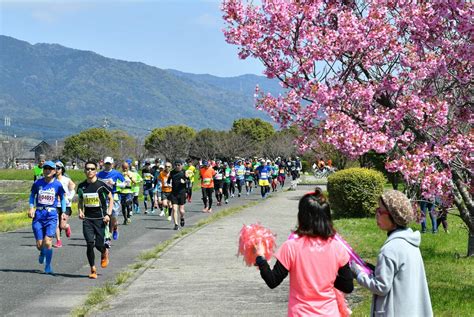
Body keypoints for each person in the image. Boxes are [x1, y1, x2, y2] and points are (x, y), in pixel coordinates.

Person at [254, 190, 353, 316]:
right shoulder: (337, 248)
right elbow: (348, 286)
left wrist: (260, 259)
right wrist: (326, 278)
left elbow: (272, 280)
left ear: (302, 217)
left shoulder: (291, 247)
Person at [351, 190, 433, 317]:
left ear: (394, 216)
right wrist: (374, 271)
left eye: (380, 211)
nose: (376, 214)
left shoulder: (390, 249)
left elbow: (381, 287)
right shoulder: (410, 241)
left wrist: (359, 274)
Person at [28, 160, 66, 274]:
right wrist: (31, 207)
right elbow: (32, 196)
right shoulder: (37, 183)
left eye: (50, 169)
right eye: (45, 168)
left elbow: (63, 198)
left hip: (51, 215)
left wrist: (63, 212)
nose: (47, 170)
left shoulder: (58, 185)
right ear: (43, 170)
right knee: (40, 245)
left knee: (48, 242)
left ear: (54, 171)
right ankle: (42, 252)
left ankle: (48, 266)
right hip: (39, 215)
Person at [77, 161, 113, 279]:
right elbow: (81, 200)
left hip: (100, 219)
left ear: (96, 171)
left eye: (92, 169)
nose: (90, 171)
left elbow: (111, 198)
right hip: (87, 219)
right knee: (89, 244)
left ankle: (104, 251)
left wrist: (108, 214)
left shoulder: (101, 185)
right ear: (84, 171)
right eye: (87, 169)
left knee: (98, 244)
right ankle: (92, 269)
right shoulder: (81, 186)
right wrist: (80, 211)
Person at [97, 157, 125, 243]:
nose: (107, 165)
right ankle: (107, 237)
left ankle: (115, 228)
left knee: (114, 218)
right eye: (106, 164)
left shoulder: (116, 173)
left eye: (109, 164)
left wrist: (114, 183)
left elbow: (125, 184)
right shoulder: (99, 174)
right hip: (103, 198)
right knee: (105, 218)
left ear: (112, 164)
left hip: (114, 197)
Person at [53, 161, 76, 248]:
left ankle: (66, 227)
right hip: (55, 205)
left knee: (62, 225)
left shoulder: (66, 180)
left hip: (66, 205)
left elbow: (73, 189)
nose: (56, 170)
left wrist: (69, 197)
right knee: (56, 224)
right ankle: (58, 241)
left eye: (58, 168)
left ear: (62, 169)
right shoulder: (52, 180)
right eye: (55, 168)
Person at [168, 160, 188, 230]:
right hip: (174, 193)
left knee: (181, 211)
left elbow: (189, 182)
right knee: (174, 208)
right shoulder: (172, 172)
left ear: (182, 165)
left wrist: (185, 181)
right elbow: (168, 180)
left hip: (182, 193)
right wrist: (168, 184)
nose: (177, 166)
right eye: (176, 165)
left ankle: (182, 218)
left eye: (179, 165)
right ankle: (176, 225)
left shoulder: (184, 172)